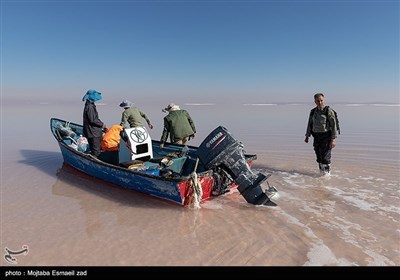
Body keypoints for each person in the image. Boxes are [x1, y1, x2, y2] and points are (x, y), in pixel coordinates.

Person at [304, 93, 338, 175]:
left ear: (324, 100)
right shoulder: (313, 112)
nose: (320, 102)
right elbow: (310, 124)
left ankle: (326, 177)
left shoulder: (328, 111)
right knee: (319, 156)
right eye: (318, 101)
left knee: (325, 157)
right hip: (316, 137)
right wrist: (307, 136)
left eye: (321, 100)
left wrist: (333, 140)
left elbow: (334, 126)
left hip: (326, 136)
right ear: (315, 101)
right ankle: (321, 175)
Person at [82, 89, 107, 158]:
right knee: (96, 152)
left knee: (96, 149)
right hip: (93, 133)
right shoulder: (90, 107)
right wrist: (102, 124)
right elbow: (93, 120)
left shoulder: (90, 105)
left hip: (92, 132)